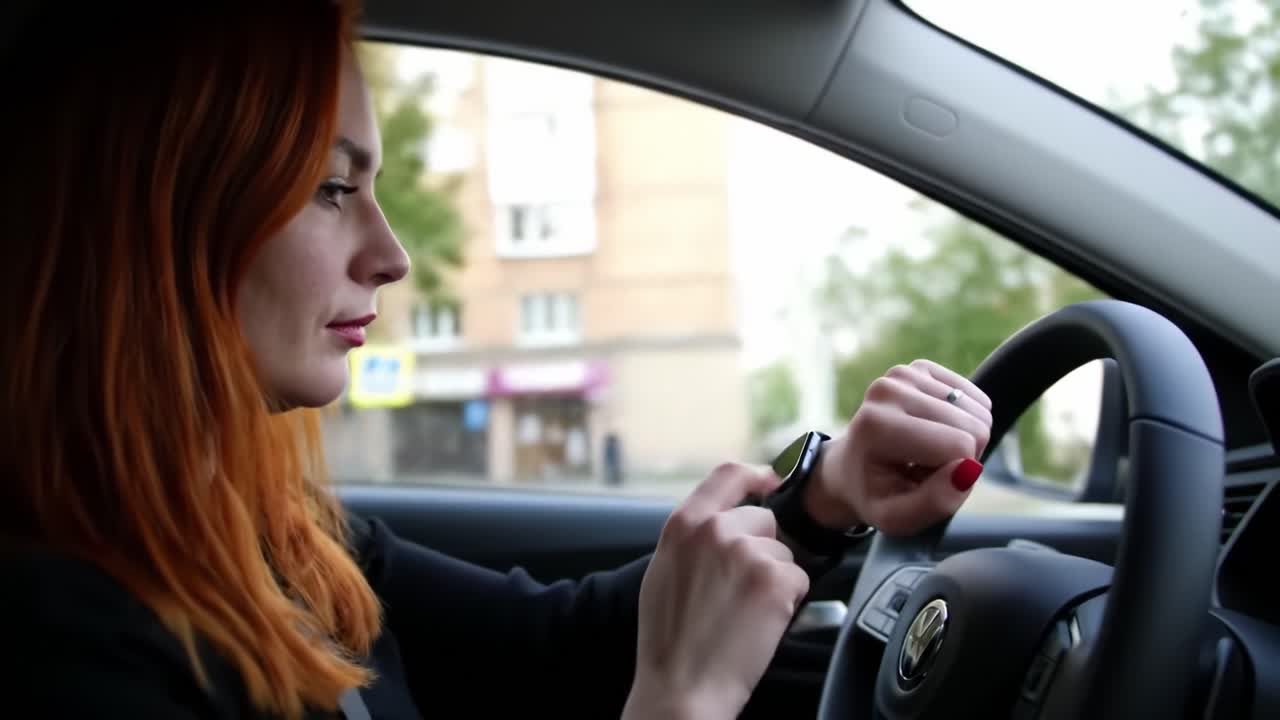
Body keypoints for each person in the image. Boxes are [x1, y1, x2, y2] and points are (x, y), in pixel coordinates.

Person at [0, 4, 993, 719]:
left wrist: (820, 500)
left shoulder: (274, 533)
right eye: (330, 189)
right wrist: (679, 702)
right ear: (151, 224)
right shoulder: (61, 639)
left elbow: (547, 650)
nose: (390, 257)